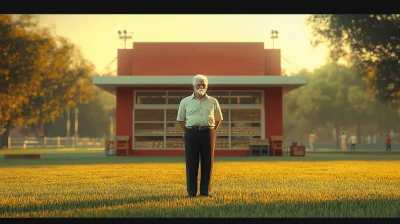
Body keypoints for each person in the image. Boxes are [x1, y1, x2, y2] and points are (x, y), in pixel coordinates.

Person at [176, 74, 223, 198]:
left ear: (207, 86)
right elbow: (180, 120)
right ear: (193, 86)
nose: (201, 87)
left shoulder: (213, 101)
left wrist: (211, 130)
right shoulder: (185, 101)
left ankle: (205, 192)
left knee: (208, 163)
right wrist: (188, 131)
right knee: (191, 163)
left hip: (208, 132)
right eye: (198, 85)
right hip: (191, 132)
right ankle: (191, 192)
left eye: (203, 85)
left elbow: (218, 119)